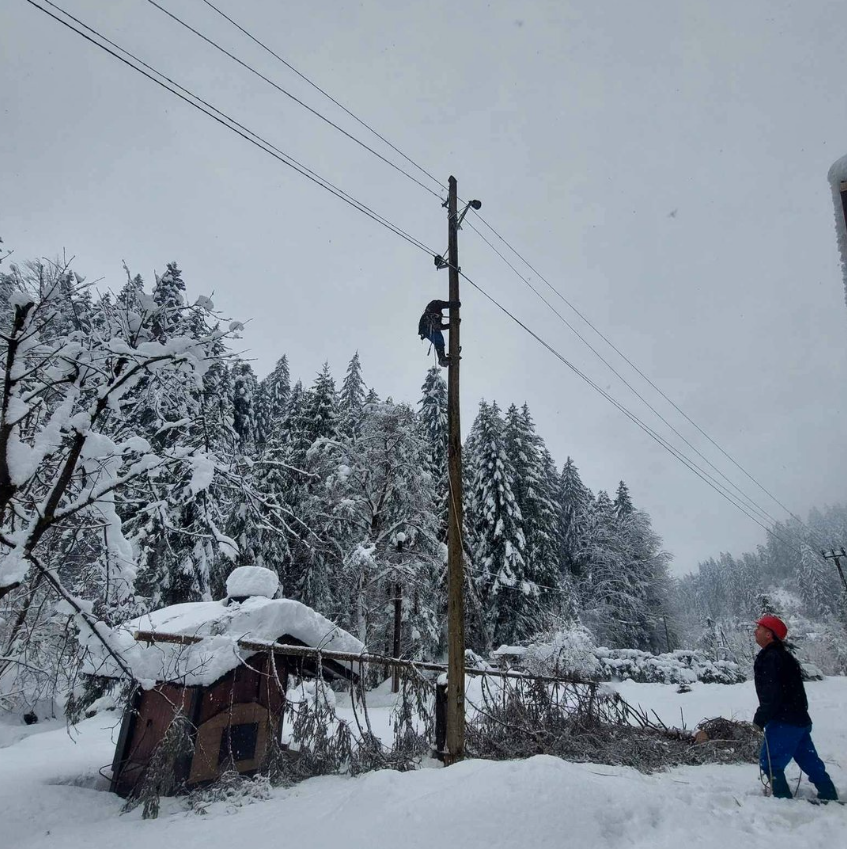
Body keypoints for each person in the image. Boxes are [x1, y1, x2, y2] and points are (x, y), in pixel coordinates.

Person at [753, 614, 838, 802]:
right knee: (809, 760)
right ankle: (828, 793)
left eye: (759, 628)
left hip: (784, 721)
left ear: (769, 635)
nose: (755, 631)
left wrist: (760, 719)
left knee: (769, 763)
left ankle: (782, 799)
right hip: (799, 719)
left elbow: (771, 694)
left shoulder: (770, 658)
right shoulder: (784, 656)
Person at [418, 299, 460, 367]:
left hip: (428, 328)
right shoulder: (434, 305)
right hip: (426, 326)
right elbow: (439, 304)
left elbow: (440, 326)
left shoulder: (437, 316)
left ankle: (442, 359)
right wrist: (451, 305)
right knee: (439, 340)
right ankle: (442, 359)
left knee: (439, 341)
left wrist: (452, 325)